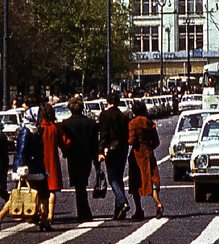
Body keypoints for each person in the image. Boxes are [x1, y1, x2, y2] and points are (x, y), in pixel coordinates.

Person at [58, 97, 98, 223]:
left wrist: (65, 152)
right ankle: (84, 211)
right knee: (83, 183)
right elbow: (94, 143)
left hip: (73, 156)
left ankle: (83, 212)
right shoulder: (90, 123)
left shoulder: (65, 124)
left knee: (78, 185)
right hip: (87, 156)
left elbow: (63, 141)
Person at [127, 100, 163, 220]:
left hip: (137, 155)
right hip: (149, 153)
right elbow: (156, 141)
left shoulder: (133, 123)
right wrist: (150, 148)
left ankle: (138, 210)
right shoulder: (149, 122)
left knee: (136, 182)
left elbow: (132, 140)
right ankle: (158, 203)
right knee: (152, 181)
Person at [97, 92, 130, 220]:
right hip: (123, 148)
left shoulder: (105, 115)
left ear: (107, 102)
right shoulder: (123, 116)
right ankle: (119, 211)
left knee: (113, 178)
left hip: (110, 149)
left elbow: (104, 134)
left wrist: (100, 150)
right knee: (119, 177)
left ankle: (122, 201)